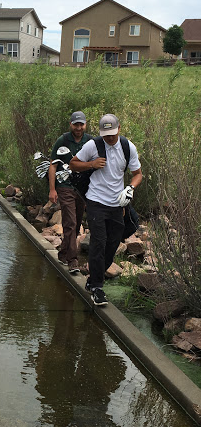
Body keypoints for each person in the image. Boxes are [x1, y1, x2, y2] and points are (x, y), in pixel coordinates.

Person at [70, 114, 142, 306]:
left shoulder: (128, 147)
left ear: (119, 128)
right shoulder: (93, 146)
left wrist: (130, 189)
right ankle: (97, 289)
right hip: (95, 201)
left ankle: (93, 279)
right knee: (98, 243)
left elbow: (137, 174)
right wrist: (91, 164)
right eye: (105, 134)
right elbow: (73, 164)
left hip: (117, 203)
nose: (109, 138)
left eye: (112, 133)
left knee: (113, 243)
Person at [49, 111, 92, 274]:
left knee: (76, 223)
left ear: (85, 124)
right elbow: (53, 165)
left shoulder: (90, 141)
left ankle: (63, 253)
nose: (79, 128)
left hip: (81, 188)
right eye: (76, 124)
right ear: (71, 124)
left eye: (81, 124)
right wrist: (52, 190)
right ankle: (73, 261)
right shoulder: (62, 140)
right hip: (64, 185)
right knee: (70, 222)